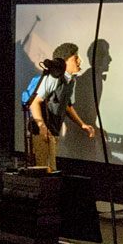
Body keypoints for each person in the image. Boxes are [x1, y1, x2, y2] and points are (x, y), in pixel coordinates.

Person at [25, 42, 96, 171]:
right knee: (45, 170)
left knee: (50, 169)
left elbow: (67, 106)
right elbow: (34, 101)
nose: (79, 61)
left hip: (53, 130)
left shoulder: (71, 81)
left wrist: (82, 124)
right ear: (65, 61)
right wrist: (42, 128)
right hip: (42, 131)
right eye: (75, 58)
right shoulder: (53, 78)